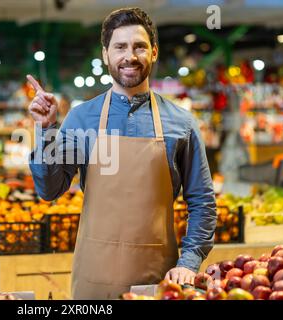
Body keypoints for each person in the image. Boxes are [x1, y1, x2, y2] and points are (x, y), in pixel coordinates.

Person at [27, 7, 217, 300]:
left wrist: (189, 262)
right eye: (120, 47)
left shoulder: (182, 124)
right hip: (93, 279)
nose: (130, 56)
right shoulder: (81, 119)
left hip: (157, 281)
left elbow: (203, 202)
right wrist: (47, 130)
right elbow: (50, 190)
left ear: (153, 52)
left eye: (139, 46)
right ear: (106, 54)